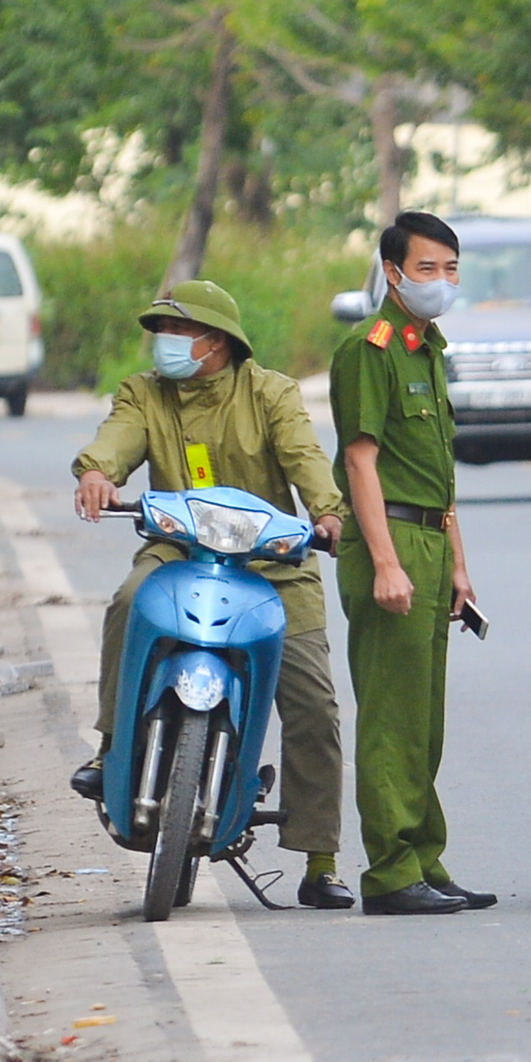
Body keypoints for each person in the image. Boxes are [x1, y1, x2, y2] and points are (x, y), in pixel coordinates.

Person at [69, 280, 356, 909]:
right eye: (161, 333)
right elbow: (116, 439)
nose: (166, 345)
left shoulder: (271, 393)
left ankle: (321, 857)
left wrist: (328, 514)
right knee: (127, 601)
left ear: (218, 342)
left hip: (274, 561)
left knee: (313, 703)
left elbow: (308, 460)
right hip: (180, 552)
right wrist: (96, 471)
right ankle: (113, 747)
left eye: (179, 332)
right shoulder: (145, 393)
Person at [329, 211, 493, 916]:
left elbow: (437, 472)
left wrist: (458, 565)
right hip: (387, 542)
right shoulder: (371, 350)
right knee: (392, 716)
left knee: (425, 719)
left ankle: (425, 855)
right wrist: (386, 565)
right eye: (427, 268)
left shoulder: (428, 349)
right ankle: (392, 871)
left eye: (451, 268)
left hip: (428, 539)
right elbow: (362, 463)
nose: (441, 281)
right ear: (392, 272)